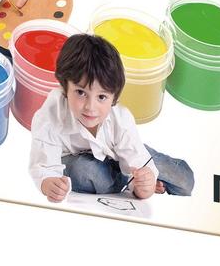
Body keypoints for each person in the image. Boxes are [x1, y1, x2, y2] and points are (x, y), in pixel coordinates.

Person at [29, 33, 195, 202]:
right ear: (65, 87)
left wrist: (145, 183)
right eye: (80, 92)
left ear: (114, 97)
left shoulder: (121, 118)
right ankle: (124, 180)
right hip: (77, 159)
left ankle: (134, 176)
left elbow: (138, 162)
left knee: (184, 181)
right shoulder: (50, 115)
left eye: (101, 97)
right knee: (87, 172)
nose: (90, 107)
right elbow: (44, 166)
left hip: (116, 150)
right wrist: (49, 183)